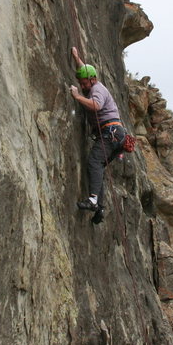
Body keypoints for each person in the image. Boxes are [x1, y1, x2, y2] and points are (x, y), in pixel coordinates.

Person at [69, 47, 127, 219]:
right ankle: (100, 208)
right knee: (99, 166)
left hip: (111, 132)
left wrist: (77, 96)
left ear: (93, 80)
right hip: (115, 135)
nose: (82, 85)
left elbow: (96, 105)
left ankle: (93, 201)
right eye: (81, 83)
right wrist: (77, 58)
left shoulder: (97, 89)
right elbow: (85, 70)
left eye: (85, 83)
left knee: (94, 161)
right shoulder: (91, 82)